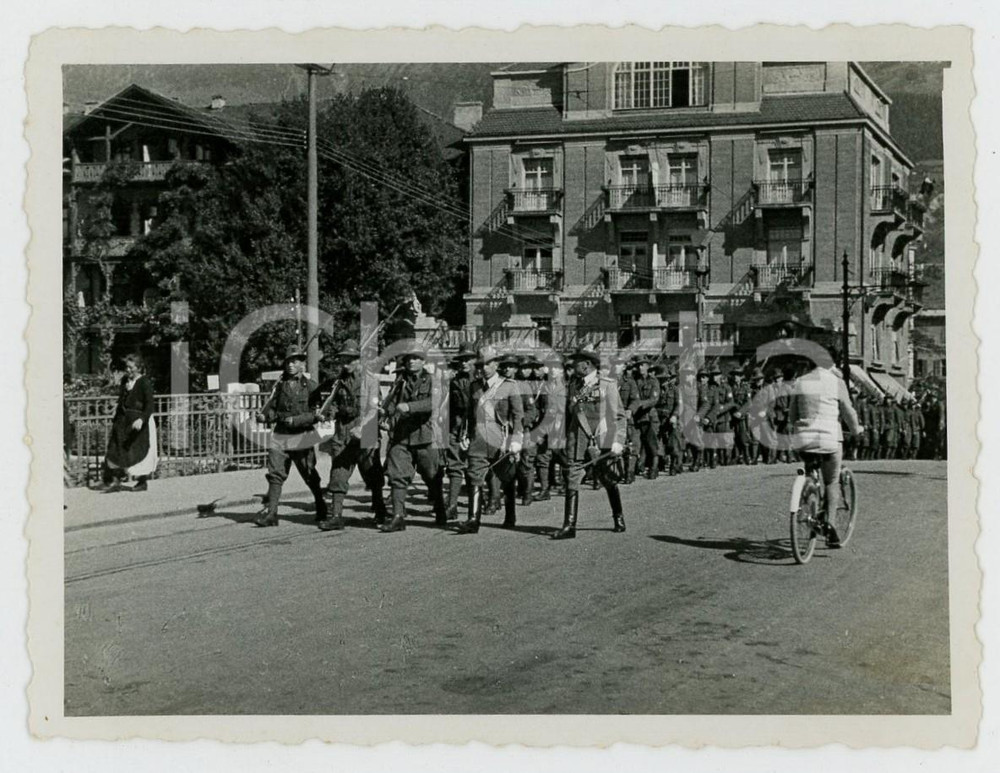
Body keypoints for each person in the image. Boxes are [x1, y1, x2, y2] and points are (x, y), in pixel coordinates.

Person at [552, 344, 627, 540]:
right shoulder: (574, 385)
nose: (572, 364)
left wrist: (618, 440)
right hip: (578, 440)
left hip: (602, 440)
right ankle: (569, 526)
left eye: (576, 362)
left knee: (608, 480)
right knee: (572, 478)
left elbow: (619, 416)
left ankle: (618, 517)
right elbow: (570, 415)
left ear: (586, 365)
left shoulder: (607, 384)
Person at [788, 351, 862, 547]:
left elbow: (792, 415)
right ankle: (829, 527)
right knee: (831, 481)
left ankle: (809, 498)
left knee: (810, 469)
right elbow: (848, 411)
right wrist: (856, 430)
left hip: (804, 439)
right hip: (829, 439)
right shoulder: (836, 382)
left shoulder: (800, 381)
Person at [316, 339, 389, 531]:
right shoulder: (339, 382)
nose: (345, 363)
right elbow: (333, 403)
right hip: (343, 433)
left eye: (349, 359)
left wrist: (363, 427)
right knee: (338, 474)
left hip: (364, 432)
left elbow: (375, 409)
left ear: (359, 360)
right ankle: (336, 516)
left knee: (372, 475)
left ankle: (380, 511)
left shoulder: (371, 380)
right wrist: (327, 414)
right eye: (343, 360)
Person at [254, 346, 328, 527]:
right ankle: (272, 514)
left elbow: (316, 414)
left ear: (303, 364)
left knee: (309, 473)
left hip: (302, 436)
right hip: (280, 436)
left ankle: (321, 506)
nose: (291, 365)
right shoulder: (279, 386)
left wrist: (296, 420)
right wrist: (264, 417)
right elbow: (272, 409)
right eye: (288, 361)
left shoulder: (311, 387)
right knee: (275, 473)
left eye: (295, 361)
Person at [456, 345, 523, 534]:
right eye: (481, 365)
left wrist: (516, 439)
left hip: (501, 440)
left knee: (507, 478)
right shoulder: (475, 386)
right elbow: (469, 414)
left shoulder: (509, 386)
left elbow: (518, 415)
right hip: (478, 438)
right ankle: (473, 519)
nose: (484, 368)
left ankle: (510, 515)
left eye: (488, 364)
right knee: (474, 477)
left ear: (496, 364)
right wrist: (466, 435)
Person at [381, 342, 447, 533]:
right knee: (397, 476)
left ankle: (440, 509)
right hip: (401, 436)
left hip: (425, 435)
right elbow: (392, 404)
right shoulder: (400, 381)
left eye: (416, 358)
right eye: (409, 358)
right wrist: (386, 417)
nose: (412, 362)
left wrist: (410, 407)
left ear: (423, 361)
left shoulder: (433, 380)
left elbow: (434, 402)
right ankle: (398, 516)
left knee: (431, 476)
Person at [99, 352, 157, 493]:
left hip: (139, 423)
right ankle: (115, 480)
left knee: (138, 451)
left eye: (131, 368)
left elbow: (150, 405)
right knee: (116, 447)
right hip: (124, 421)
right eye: (127, 367)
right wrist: (115, 413)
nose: (128, 370)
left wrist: (142, 419)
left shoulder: (144, 382)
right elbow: (122, 400)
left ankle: (142, 482)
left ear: (138, 367)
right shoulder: (125, 381)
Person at [442, 341, 477, 520]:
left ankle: (486, 500)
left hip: (478, 430)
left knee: (476, 468)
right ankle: (452, 505)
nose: (464, 363)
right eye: (462, 360)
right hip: (457, 428)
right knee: (455, 466)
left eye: (468, 359)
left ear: (475, 360)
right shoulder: (454, 382)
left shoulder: (482, 381)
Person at [631, 356, 661, 479]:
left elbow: (654, 399)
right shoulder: (635, 381)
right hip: (637, 417)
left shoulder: (654, 381)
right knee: (636, 443)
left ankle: (654, 468)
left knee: (652, 444)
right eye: (638, 366)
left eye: (642, 365)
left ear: (647, 367)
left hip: (650, 417)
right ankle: (633, 469)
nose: (639, 368)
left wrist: (640, 404)